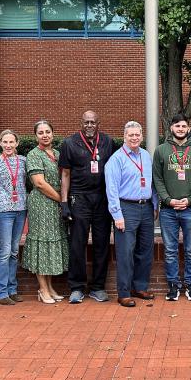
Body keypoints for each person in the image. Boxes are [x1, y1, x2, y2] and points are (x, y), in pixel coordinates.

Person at [59, 111, 114, 304]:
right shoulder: (69, 143)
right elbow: (65, 174)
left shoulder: (108, 142)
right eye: (86, 122)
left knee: (102, 244)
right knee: (77, 244)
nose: (89, 125)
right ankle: (76, 287)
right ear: (81, 124)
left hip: (102, 199)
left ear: (98, 124)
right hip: (79, 198)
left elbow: (114, 172)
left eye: (93, 122)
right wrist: (64, 203)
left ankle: (98, 287)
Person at [153, 113, 191, 301]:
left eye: (183, 126)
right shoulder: (161, 150)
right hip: (168, 210)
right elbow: (158, 179)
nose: (180, 129)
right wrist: (167, 200)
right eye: (177, 126)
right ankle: (173, 286)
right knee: (170, 250)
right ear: (171, 128)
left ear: (189, 128)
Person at [104, 121, 158, 307]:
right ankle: (124, 292)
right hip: (126, 208)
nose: (134, 138)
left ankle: (140, 286)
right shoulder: (116, 159)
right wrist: (117, 215)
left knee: (145, 249)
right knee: (125, 251)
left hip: (146, 208)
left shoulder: (145, 156)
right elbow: (111, 190)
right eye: (130, 135)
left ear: (142, 136)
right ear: (124, 136)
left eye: (137, 135)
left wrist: (155, 204)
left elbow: (152, 183)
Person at [22, 120, 70, 304]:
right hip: (42, 204)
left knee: (52, 243)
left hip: (56, 206)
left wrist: (62, 202)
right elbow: (39, 183)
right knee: (42, 245)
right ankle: (42, 289)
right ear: (36, 136)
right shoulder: (34, 155)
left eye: (48, 131)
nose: (45, 135)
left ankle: (50, 287)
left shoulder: (58, 154)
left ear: (53, 133)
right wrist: (62, 200)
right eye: (40, 132)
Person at [0, 130, 28, 305]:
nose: (8, 145)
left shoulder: (24, 161)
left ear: (17, 143)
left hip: (21, 209)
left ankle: (12, 289)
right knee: (4, 252)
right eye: (5, 142)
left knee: (14, 251)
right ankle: (0, 292)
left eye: (12, 142)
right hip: (4, 211)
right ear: (0, 143)